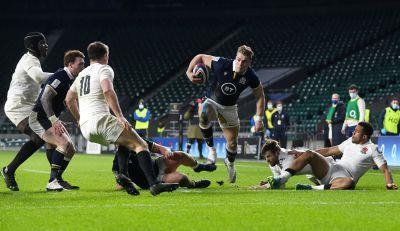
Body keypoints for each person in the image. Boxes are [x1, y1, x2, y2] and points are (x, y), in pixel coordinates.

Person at [65, 41, 178, 196]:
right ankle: (154, 184)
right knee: (141, 145)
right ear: (106, 55)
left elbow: (69, 99)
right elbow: (108, 91)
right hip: (101, 120)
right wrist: (119, 116)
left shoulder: (81, 75)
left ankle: (122, 175)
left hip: (86, 127)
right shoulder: (104, 68)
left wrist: (79, 118)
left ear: (90, 57)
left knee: (124, 142)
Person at [186, 45, 265, 183]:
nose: (240, 63)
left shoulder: (251, 75)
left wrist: (259, 118)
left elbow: (260, 96)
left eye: (244, 61)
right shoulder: (222, 63)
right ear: (236, 57)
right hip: (212, 101)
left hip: (230, 108)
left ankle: (230, 163)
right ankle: (211, 150)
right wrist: (189, 72)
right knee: (204, 114)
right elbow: (201, 56)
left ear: (249, 62)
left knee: (232, 143)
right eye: (239, 59)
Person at [265, 122, 398, 190]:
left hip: (342, 179)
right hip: (330, 169)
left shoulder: (373, 149)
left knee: (350, 183)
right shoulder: (349, 142)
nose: (353, 133)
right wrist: (304, 153)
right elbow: (329, 151)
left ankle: (311, 188)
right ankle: (281, 179)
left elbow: (385, 169)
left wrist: (389, 183)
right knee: (310, 154)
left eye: (356, 132)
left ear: (364, 136)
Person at [2, 32, 53, 191]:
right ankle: (9, 170)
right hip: (17, 107)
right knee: (39, 136)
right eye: (42, 43)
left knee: (51, 137)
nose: (45, 46)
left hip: (30, 106)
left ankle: (55, 179)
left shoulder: (34, 60)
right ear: (33, 47)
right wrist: (64, 75)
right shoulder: (29, 60)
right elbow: (38, 77)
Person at [29, 50, 85, 191]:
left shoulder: (69, 79)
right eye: (80, 64)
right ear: (70, 64)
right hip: (39, 118)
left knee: (71, 149)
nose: (83, 67)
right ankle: (52, 182)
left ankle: (58, 179)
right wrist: (54, 120)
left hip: (49, 118)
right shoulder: (60, 76)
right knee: (64, 144)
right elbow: (45, 98)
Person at [112, 139, 216, 191]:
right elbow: (120, 183)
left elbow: (160, 148)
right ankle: (193, 184)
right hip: (154, 180)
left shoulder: (137, 141)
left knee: (180, 154)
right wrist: (125, 184)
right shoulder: (117, 163)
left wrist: (166, 152)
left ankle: (198, 167)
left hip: (158, 164)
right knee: (181, 178)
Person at [250, 140, 331, 189]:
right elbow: (281, 185)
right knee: (313, 178)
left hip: (328, 166)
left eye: (268, 156)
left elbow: (282, 179)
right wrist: (270, 182)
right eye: (265, 157)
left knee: (332, 186)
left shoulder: (287, 157)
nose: (267, 160)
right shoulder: (273, 162)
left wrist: (267, 185)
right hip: (313, 172)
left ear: (277, 152)